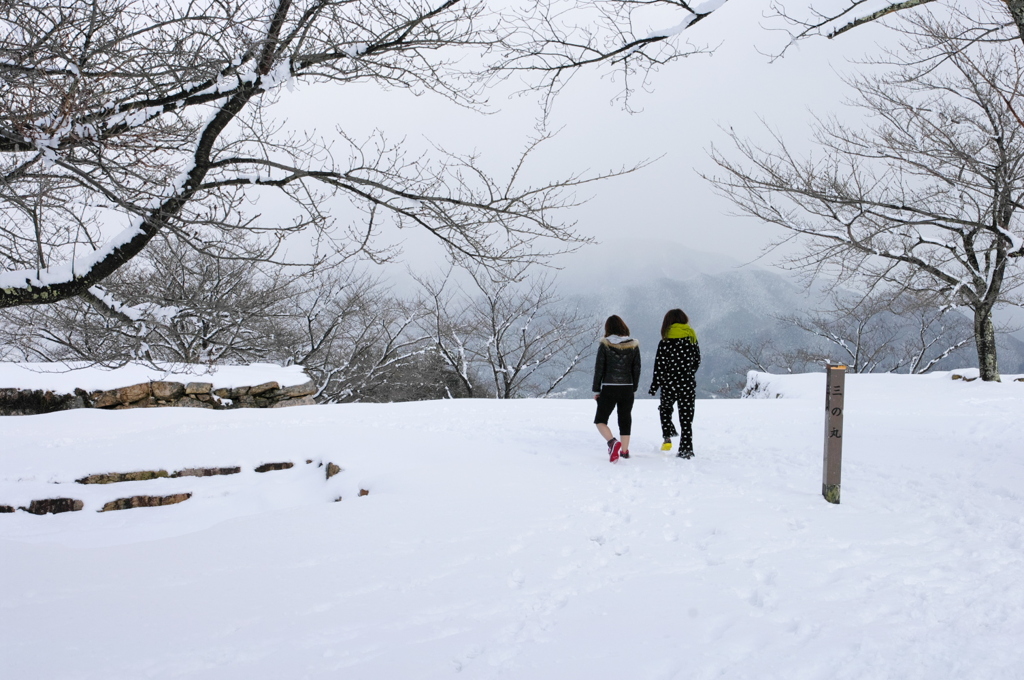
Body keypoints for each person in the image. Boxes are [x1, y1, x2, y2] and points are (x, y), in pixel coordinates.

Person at [649, 309, 701, 459]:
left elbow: (659, 366)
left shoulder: (665, 341)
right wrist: (688, 373)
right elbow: (697, 361)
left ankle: (667, 434)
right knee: (686, 416)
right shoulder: (691, 338)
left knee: (665, 409)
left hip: (668, 384)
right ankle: (686, 449)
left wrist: (655, 386)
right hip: (687, 383)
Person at [592, 315, 641, 463]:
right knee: (625, 418)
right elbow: (636, 368)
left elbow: (599, 368)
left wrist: (596, 390)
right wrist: (634, 387)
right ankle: (625, 451)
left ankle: (612, 442)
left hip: (609, 387)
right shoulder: (633, 345)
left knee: (600, 420)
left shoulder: (605, 344)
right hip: (627, 387)